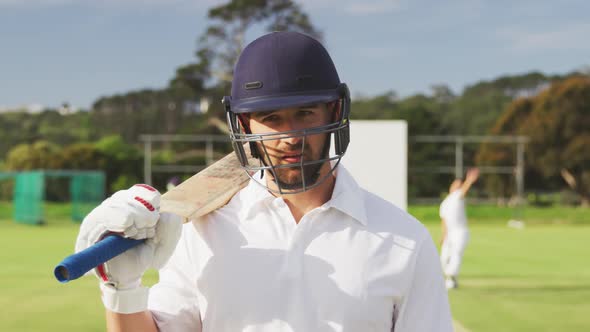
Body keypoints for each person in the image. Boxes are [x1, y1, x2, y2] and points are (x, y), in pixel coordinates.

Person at [75, 31, 453, 332]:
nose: (290, 136)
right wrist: (122, 291)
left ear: (335, 111)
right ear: (243, 124)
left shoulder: (404, 240)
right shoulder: (200, 230)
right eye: (271, 118)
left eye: (305, 113)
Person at [439, 168, 480, 290]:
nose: (456, 185)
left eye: (458, 184)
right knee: (444, 257)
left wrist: (469, 180)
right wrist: (443, 235)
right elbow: (444, 220)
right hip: (450, 233)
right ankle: (448, 278)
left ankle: (451, 279)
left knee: (456, 254)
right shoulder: (445, 202)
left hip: (460, 232)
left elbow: (463, 191)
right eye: (455, 183)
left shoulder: (457, 196)